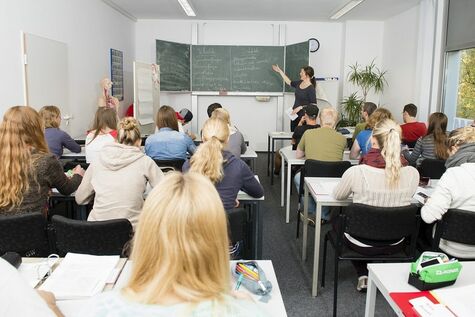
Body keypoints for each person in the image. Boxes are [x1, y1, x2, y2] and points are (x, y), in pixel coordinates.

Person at [81, 172, 266, 317]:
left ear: (145, 235)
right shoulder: (245, 312)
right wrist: (241, 305)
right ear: (218, 239)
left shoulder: (100, 309)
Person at [333, 119, 419, 291]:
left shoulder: (357, 172)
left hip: (360, 242)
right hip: (397, 241)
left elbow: (338, 195)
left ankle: (363, 272)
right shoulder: (412, 173)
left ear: (373, 140)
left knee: (338, 214)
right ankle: (382, 271)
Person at [76, 117, 164, 229]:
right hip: (131, 234)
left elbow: (80, 198)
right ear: (139, 141)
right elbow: (166, 193)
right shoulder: (145, 162)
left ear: (115, 140)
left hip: (97, 233)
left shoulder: (97, 160)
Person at [0, 106, 84, 216]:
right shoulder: (46, 161)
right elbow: (67, 189)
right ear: (36, 128)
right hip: (35, 228)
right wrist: (78, 175)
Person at [183, 118, 263, 211]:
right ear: (227, 138)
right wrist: (232, 193)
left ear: (202, 138)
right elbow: (258, 193)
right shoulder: (238, 166)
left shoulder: (188, 165)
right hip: (226, 223)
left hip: (195, 222)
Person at [421, 126, 475, 258]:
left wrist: (431, 202)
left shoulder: (453, 174)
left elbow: (428, 217)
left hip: (449, 246)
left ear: (456, 148)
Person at [294, 107, 346, 221]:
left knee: (298, 178)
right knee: (326, 184)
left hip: (312, 175)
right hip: (334, 178)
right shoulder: (342, 138)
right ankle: (323, 213)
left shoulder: (308, 133)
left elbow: (298, 155)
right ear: (336, 122)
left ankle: (314, 212)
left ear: (320, 120)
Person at [272, 64, 317, 131]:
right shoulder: (299, 83)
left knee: (300, 137)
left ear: (307, 75)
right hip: (294, 115)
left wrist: (300, 107)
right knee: (293, 136)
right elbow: (289, 82)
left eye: (302, 72)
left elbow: (314, 105)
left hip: (303, 118)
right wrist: (280, 71)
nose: (300, 73)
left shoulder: (311, 89)